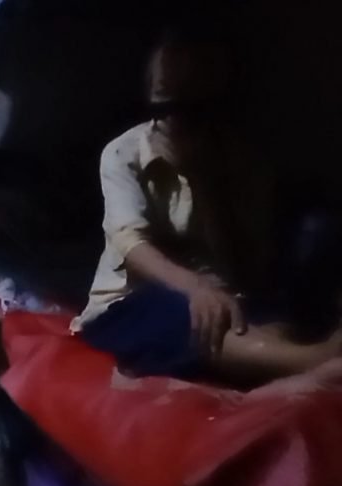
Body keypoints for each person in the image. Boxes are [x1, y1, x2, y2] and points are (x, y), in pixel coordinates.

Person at [72, 27, 342, 386]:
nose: (173, 117)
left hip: (225, 293)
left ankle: (286, 359)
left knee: (270, 309)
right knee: (183, 314)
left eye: (191, 105)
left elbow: (248, 262)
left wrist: (202, 181)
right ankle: (315, 363)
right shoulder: (125, 154)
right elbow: (132, 245)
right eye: (164, 100)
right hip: (134, 300)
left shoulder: (240, 160)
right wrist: (195, 287)